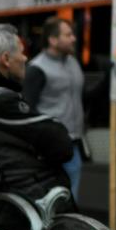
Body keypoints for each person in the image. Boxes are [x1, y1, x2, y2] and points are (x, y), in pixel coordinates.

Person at [0, 24, 72, 203]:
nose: (25, 58)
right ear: (6, 59)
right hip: (33, 203)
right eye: (21, 51)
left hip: (11, 202)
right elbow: (61, 142)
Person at [25, 16, 86, 198]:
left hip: (73, 142)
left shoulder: (72, 62)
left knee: (70, 195)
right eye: (68, 35)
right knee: (52, 197)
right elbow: (28, 109)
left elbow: (80, 96)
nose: (73, 39)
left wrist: (108, 80)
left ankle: (65, 225)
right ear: (53, 40)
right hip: (49, 147)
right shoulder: (37, 68)